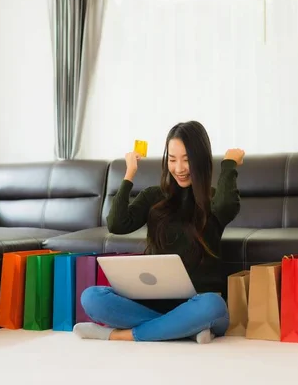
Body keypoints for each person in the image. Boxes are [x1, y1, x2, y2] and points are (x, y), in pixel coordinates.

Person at [73, 121, 244, 344]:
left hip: (199, 303)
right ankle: (184, 328)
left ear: (200, 160)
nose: (179, 168)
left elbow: (226, 206)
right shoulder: (153, 197)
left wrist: (229, 164)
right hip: (154, 301)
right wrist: (129, 174)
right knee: (92, 297)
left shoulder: (212, 200)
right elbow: (117, 224)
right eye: (172, 160)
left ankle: (121, 335)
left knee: (214, 306)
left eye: (187, 159)